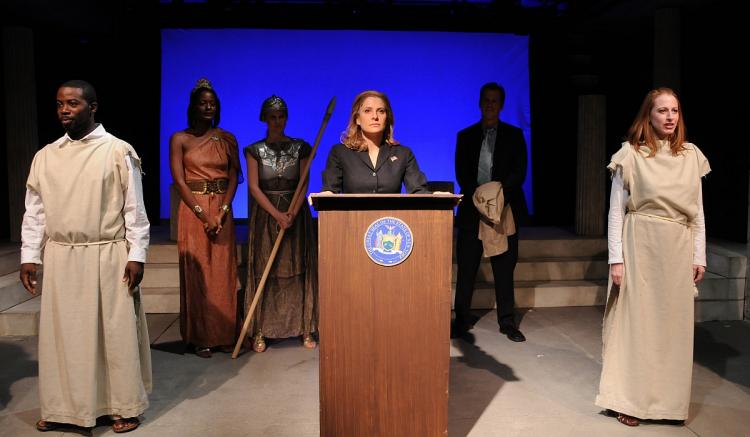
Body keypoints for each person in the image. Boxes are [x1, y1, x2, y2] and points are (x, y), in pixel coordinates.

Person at [20, 80, 151, 433]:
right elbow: (35, 211)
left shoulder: (117, 150)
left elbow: (134, 209)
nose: (64, 109)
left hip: (107, 253)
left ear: (93, 107)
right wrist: (29, 255)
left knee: (114, 333)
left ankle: (121, 406)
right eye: (60, 103)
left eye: (73, 103)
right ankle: (63, 407)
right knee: (64, 336)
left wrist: (136, 254)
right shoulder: (46, 155)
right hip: (62, 255)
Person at [595, 87, 709, 426]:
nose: (670, 117)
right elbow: (616, 212)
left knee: (673, 330)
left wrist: (698, 255)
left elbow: (698, 212)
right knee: (638, 327)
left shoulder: (690, 156)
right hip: (640, 245)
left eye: (675, 110)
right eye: (662, 111)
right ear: (649, 115)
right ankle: (629, 401)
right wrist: (616, 259)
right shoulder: (630, 155)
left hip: (677, 248)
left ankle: (667, 405)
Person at [170, 78, 241, 358]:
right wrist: (202, 214)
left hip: (222, 208)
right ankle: (200, 336)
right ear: (193, 106)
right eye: (203, 102)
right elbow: (179, 179)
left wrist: (222, 211)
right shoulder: (180, 139)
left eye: (212, 103)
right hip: (193, 209)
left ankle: (224, 334)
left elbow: (234, 176)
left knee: (223, 272)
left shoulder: (226, 138)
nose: (208, 107)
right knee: (197, 272)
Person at [452, 82, 528, 343]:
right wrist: (481, 200)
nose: (490, 105)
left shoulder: (515, 135)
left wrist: (496, 198)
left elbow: (519, 173)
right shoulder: (465, 136)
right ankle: (461, 321)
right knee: (467, 269)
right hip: (473, 211)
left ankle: (507, 322)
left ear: (501, 105)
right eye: (486, 100)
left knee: (504, 269)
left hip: (504, 210)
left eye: (494, 100)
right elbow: (463, 173)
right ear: (479, 103)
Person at [244, 95, 318, 353]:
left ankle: (304, 327)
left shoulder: (301, 147)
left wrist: (293, 212)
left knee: (297, 268)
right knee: (267, 268)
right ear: (265, 118)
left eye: (282, 116)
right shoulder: (254, 150)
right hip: (267, 217)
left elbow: (304, 182)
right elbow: (254, 187)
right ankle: (261, 330)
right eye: (273, 117)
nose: (278, 121)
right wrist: (277, 214)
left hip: (295, 217)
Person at [321, 90, 429, 194]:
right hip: (354, 213)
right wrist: (325, 194)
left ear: (387, 118)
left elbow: (418, 191)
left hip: (390, 213)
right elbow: (330, 190)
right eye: (367, 111)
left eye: (381, 111)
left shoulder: (403, 154)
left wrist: (436, 196)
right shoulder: (340, 153)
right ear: (357, 119)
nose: (375, 117)